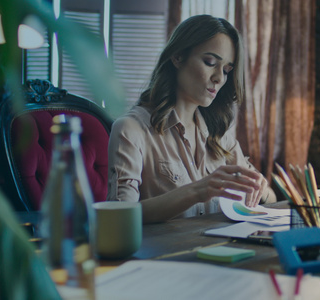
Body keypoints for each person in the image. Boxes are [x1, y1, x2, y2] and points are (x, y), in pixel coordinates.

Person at [107, 15, 276, 223]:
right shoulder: (131, 130)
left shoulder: (220, 137)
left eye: (226, 70)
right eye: (210, 62)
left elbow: (271, 197)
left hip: (219, 251)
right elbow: (119, 217)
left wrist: (260, 188)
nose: (219, 78)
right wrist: (196, 191)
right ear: (178, 57)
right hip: (163, 255)